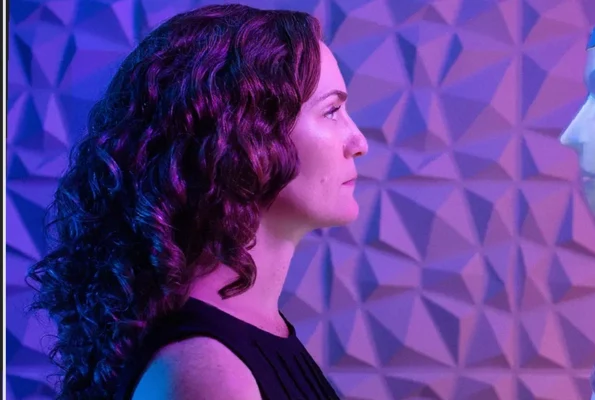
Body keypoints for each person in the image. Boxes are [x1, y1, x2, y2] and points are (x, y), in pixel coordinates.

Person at [26, 4, 367, 399]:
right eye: (331, 111)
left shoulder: (249, 334)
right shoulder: (211, 377)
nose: (358, 142)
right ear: (243, 138)